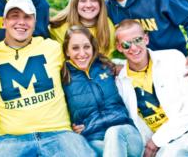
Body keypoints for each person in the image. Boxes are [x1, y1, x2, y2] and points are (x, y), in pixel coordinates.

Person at [0, 0, 95, 157]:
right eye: (14, 16)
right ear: (3, 22)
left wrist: (88, 118)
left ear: (35, 22)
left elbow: (87, 68)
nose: (21, 22)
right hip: (12, 139)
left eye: (27, 17)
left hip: (59, 133)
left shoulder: (54, 48)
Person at [114, 19, 188, 157]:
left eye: (138, 40)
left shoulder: (173, 59)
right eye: (126, 44)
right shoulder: (120, 83)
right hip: (168, 146)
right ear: (119, 47)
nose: (133, 48)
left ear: (146, 38)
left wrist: (156, 141)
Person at [61, 25, 143, 156]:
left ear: (93, 48)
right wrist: (70, 127)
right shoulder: (64, 78)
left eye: (86, 47)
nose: (82, 53)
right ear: (67, 51)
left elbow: (136, 67)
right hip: (94, 140)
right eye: (75, 48)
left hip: (126, 134)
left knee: (113, 133)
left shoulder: (107, 66)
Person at [49, 0, 116, 57]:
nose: (88, 5)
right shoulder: (59, 28)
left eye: (94, 0)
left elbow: (108, 56)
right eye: (83, 1)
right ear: (75, 3)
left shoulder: (107, 24)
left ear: (100, 3)